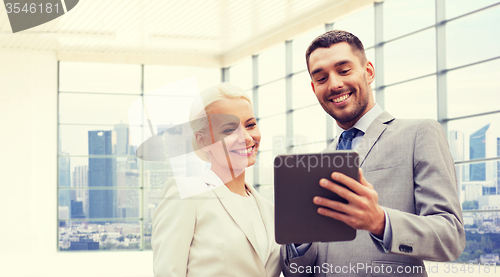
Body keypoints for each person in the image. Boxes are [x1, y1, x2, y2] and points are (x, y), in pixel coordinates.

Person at [280, 30, 465, 276]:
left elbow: (450, 237)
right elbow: (297, 272)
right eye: (322, 78)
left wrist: (380, 221)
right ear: (314, 88)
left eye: (344, 71)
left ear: (368, 71)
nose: (334, 84)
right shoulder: (315, 165)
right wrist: (299, 238)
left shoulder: (419, 133)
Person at [152, 83, 282, 277]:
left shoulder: (270, 211)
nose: (246, 138)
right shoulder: (186, 195)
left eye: (250, 125)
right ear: (203, 141)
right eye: (229, 130)